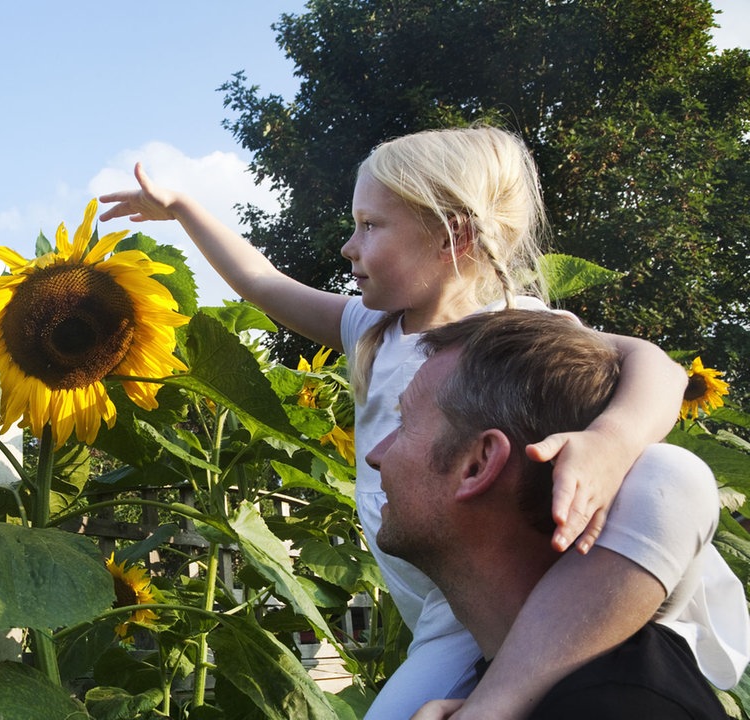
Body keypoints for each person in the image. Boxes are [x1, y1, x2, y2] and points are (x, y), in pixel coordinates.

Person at [97, 125, 748, 718]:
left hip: (525, 594)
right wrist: (182, 210)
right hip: (445, 609)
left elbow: (656, 367)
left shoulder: (513, 330)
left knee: (664, 480)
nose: (350, 245)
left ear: (452, 235)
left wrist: (611, 441)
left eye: (370, 225)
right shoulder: (372, 328)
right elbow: (262, 282)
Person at [370, 309, 731, 719]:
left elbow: (674, 481)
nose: (374, 454)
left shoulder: (617, 707)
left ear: (478, 463)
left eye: (403, 424)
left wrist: (612, 438)